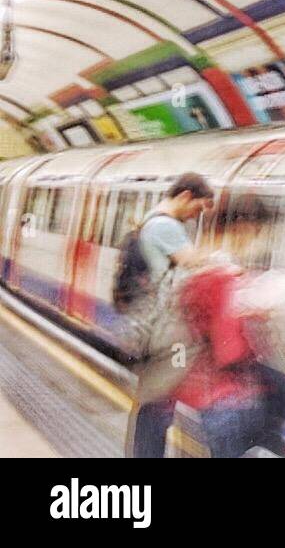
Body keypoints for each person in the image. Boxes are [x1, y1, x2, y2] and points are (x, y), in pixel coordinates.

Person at [172, 194, 284, 457]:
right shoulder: (224, 275)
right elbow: (228, 349)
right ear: (244, 228)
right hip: (228, 398)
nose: (260, 241)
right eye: (259, 233)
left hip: (209, 394)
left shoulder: (204, 265)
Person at [125, 172, 214, 458]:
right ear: (185, 196)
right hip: (163, 331)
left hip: (151, 326)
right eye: (197, 208)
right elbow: (195, 263)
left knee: (155, 402)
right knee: (158, 405)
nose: (194, 216)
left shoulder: (152, 218)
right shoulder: (166, 226)